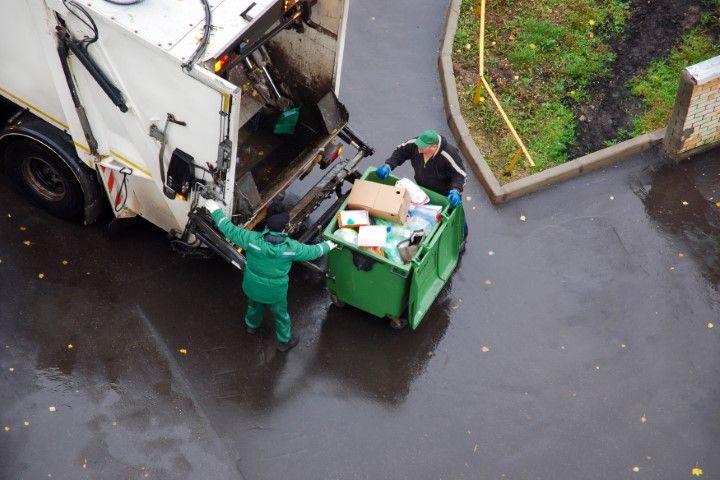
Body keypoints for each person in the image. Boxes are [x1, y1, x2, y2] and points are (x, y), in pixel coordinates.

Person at [204, 199, 336, 352]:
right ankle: (284, 341)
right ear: (284, 229)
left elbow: (229, 230)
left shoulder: (251, 239)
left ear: (267, 225)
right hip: (275, 293)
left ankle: (251, 326)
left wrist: (216, 211)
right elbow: (313, 251)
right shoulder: (291, 248)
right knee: (281, 315)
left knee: (253, 306)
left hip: (252, 287)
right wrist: (329, 245)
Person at [376, 129, 468, 239]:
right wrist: (388, 165)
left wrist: (456, 190)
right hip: (423, 188)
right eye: (419, 146)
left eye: (422, 148)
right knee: (427, 215)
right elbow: (400, 151)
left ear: (434, 147)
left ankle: (462, 235)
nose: (419, 150)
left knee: (456, 217)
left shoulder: (448, 155)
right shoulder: (416, 144)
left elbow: (460, 175)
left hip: (446, 194)